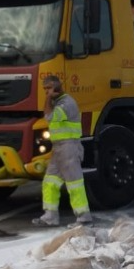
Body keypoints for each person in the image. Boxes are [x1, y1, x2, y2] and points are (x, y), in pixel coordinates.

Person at [32, 75, 94, 227]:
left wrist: (48, 98)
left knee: (74, 182)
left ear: (57, 87)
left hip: (69, 146)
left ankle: (84, 218)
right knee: (50, 182)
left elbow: (49, 116)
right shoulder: (58, 102)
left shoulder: (67, 103)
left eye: (49, 88)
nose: (47, 92)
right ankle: (50, 216)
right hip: (59, 148)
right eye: (45, 89)